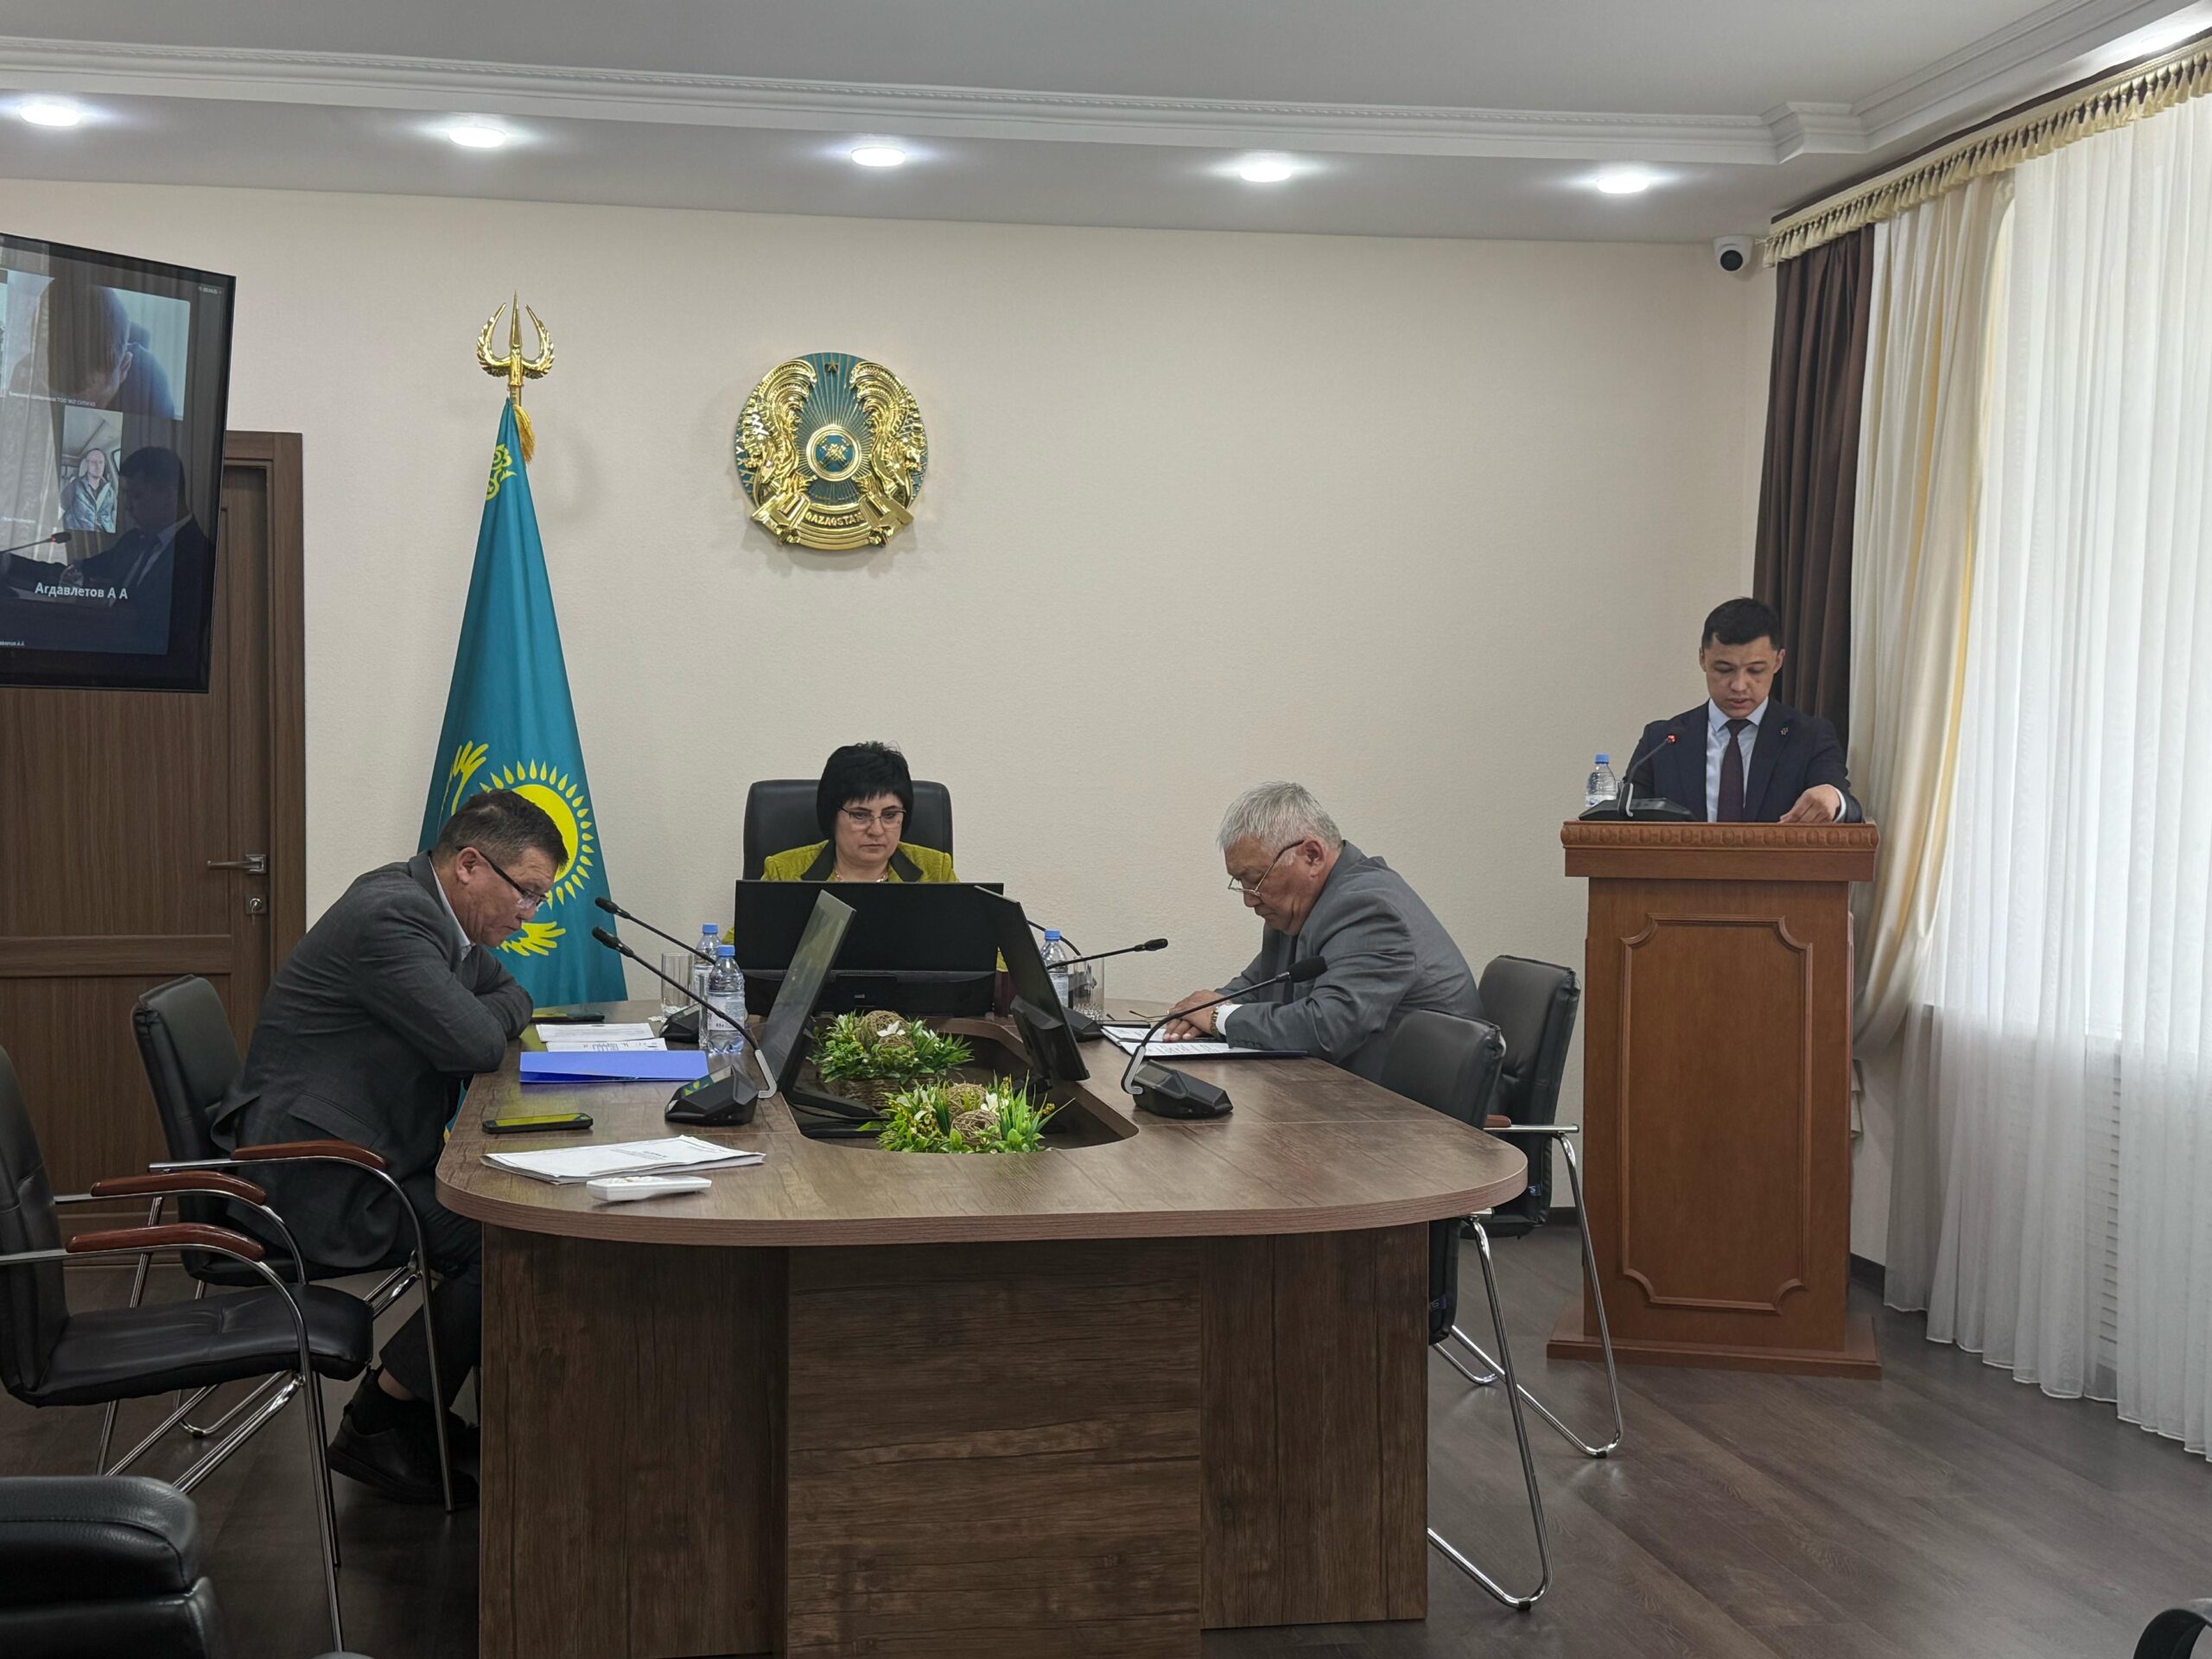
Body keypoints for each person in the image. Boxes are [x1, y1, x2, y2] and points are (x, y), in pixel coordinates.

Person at [209, 790, 564, 1504]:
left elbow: (514, 996)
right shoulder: (392, 918)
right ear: (470, 866)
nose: (529, 913)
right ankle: (381, 1418)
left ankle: (420, 1409)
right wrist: (481, 1018)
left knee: (513, 1220)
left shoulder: (433, 912)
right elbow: (474, 1043)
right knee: (513, 1239)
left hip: (363, 1152)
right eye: (526, 892)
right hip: (316, 1176)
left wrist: (482, 1014)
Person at [1160, 781, 1483, 1082]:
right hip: (1348, 1098)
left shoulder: (1368, 910)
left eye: (1255, 879)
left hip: (1419, 1115)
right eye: (1241, 882)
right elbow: (1259, 984)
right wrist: (1201, 1011)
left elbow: (1325, 1028)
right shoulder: (1303, 906)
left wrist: (1219, 1017)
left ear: (1312, 855)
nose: (1249, 899)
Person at [1625, 596, 1863, 824]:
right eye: (1724, 669)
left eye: (1755, 670)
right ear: (1702, 658)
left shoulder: (1810, 737)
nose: (1739, 686)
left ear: (1778, 661)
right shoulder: (1661, 742)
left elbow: (1850, 808)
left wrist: (1833, 797)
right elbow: (1623, 818)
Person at [760, 741, 957, 881]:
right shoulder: (784, 874)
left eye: (890, 816)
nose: (877, 831)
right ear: (831, 815)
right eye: (860, 815)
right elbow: (748, 931)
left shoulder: (936, 872)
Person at [61, 442, 113, 531]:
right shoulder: (75, 486)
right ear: (87, 465)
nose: (98, 466)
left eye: (101, 462)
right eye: (93, 462)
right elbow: (60, 509)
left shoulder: (110, 492)